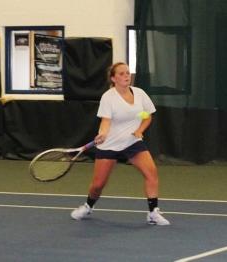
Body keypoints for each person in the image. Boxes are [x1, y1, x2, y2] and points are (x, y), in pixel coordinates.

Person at [71, 62, 170, 226]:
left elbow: (146, 115)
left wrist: (140, 130)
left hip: (132, 142)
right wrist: (102, 133)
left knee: (151, 173)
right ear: (113, 78)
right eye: (122, 73)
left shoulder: (139, 94)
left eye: (128, 73)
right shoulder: (108, 97)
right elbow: (106, 121)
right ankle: (88, 206)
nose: (126, 76)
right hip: (110, 144)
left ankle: (153, 213)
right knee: (98, 185)